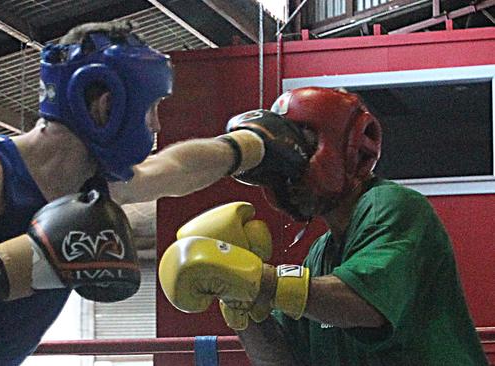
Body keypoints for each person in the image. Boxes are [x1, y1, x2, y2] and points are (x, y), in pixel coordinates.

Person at [0, 21, 270, 366]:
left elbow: (175, 169)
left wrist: (252, 145)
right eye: (149, 108)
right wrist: (36, 260)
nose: (156, 126)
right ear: (107, 105)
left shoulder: (93, 182)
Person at [159, 87, 489, 365]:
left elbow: (364, 305)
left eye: (299, 159)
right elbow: (278, 358)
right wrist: (239, 300)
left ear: (346, 150)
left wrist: (259, 279)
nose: (289, 180)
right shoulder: (321, 254)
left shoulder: (390, 205)